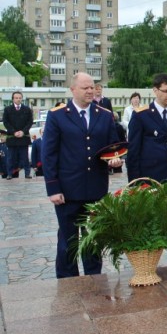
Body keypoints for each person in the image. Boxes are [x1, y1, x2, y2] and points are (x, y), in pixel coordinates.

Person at [43, 72, 123, 278]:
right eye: (85, 88)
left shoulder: (104, 115)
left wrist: (115, 160)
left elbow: (112, 146)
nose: (90, 91)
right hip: (67, 190)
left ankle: (93, 278)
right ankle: (67, 281)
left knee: (93, 238)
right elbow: (49, 154)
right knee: (68, 240)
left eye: (92, 87)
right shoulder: (58, 115)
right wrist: (53, 188)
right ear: (73, 89)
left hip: (96, 189)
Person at [127, 73, 167, 265]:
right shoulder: (141, 115)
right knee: (149, 223)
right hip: (150, 178)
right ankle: (147, 265)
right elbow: (133, 152)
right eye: (166, 91)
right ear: (155, 91)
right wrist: (135, 184)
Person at [2, 91, 33, 179]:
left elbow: (30, 122)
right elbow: (6, 122)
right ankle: (9, 174)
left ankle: (27, 173)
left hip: (23, 137)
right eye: (16, 98)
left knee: (25, 157)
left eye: (20, 98)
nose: (18, 99)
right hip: (12, 137)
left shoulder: (27, 109)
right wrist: (14, 132)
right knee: (11, 157)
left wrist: (23, 131)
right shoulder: (7, 109)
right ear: (13, 99)